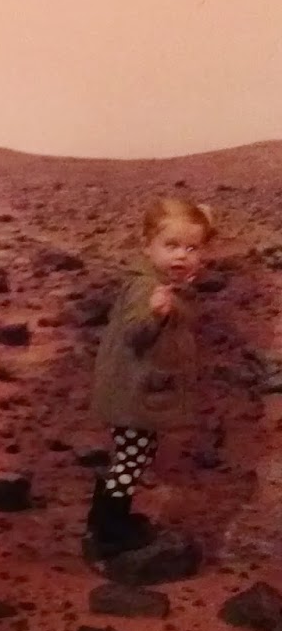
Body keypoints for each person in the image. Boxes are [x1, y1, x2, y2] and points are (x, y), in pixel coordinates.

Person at [88, 197, 213, 557]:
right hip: (133, 393)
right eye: (171, 246)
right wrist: (155, 315)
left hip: (138, 391)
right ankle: (111, 529)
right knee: (131, 458)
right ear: (147, 246)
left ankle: (107, 518)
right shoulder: (146, 288)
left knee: (134, 455)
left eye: (191, 248)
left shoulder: (161, 281)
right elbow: (134, 334)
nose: (181, 256)